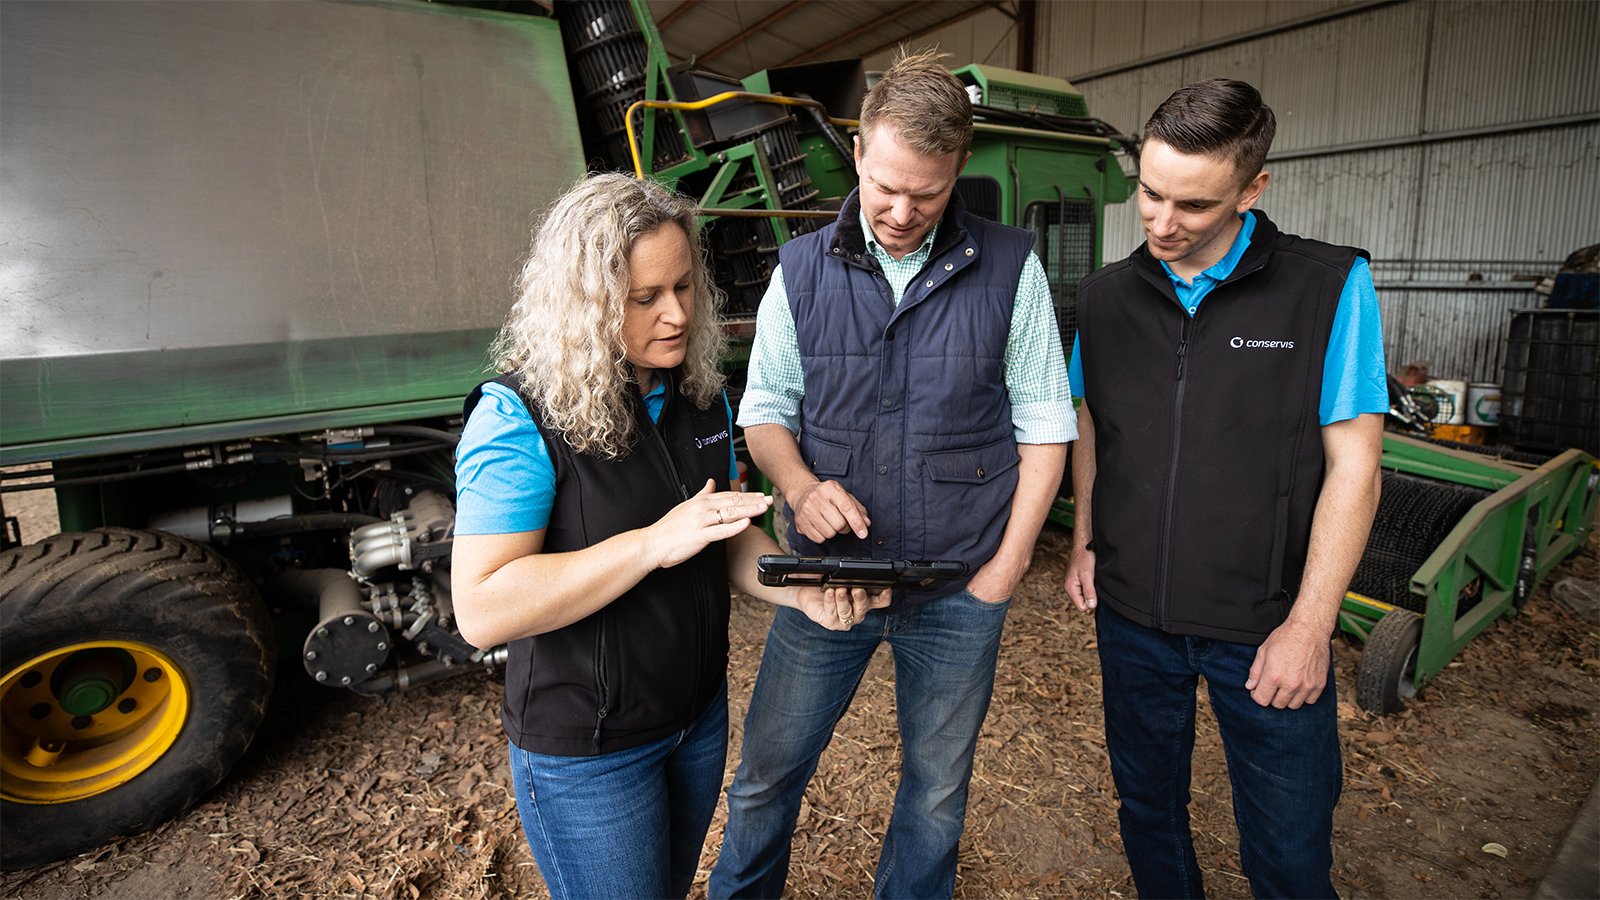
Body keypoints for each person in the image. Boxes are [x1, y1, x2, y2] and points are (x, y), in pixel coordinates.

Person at [450, 173, 887, 900]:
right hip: (590, 752)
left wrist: (804, 589)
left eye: (685, 287)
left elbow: (726, 538)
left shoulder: (698, 392)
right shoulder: (516, 417)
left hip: (694, 721)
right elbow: (484, 607)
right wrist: (652, 542)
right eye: (645, 298)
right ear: (585, 306)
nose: (678, 315)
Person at [710, 50, 1076, 899]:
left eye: (929, 193)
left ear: (959, 173)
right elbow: (764, 410)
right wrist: (799, 488)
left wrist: (1008, 568)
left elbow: (1047, 425)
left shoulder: (1010, 267)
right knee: (766, 774)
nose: (902, 211)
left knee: (938, 792)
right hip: (827, 583)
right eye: (885, 186)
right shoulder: (799, 271)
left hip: (957, 586)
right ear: (859, 152)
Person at [1063, 78, 1386, 898]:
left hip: (1267, 626)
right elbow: (1094, 423)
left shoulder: (1327, 287)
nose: (1162, 224)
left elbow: (1356, 466)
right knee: (1148, 813)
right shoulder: (1105, 299)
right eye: (1149, 193)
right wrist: (1086, 540)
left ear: (1253, 189)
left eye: (1195, 206)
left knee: (1286, 848)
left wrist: (1311, 626)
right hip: (1135, 619)